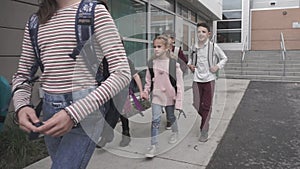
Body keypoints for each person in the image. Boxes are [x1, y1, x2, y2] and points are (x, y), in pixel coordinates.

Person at [11, 0, 130, 168]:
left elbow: (122, 73)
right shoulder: (35, 21)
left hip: (86, 109)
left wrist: (73, 113)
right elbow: (23, 74)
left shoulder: (94, 12)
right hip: (49, 108)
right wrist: (21, 106)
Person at [141, 35, 184, 158]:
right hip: (157, 96)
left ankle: (175, 132)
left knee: (171, 116)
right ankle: (154, 145)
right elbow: (148, 81)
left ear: (166, 48)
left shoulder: (173, 64)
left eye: (159, 46)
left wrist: (179, 102)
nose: (156, 49)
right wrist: (145, 91)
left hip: (170, 96)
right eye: (154, 46)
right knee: (155, 120)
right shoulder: (151, 63)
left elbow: (179, 85)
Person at [187, 22, 227, 142]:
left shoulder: (214, 47)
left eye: (203, 32)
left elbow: (224, 58)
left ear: (208, 34)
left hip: (209, 80)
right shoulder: (194, 47)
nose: (200, 34)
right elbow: (191, 59)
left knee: (207, 106)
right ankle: (206, 116)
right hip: (197, 79)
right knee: (196, 104)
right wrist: (190, 65)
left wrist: (217, 67)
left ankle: (204, 129)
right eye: (198, 31)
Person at [96, 57, 143, 148]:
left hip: (123, 91)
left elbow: (135, 75)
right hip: (109, 91)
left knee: (122, 113)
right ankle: (107, 136)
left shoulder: (126, 61)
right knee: (109, 113)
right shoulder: (104, 61)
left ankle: (125, 134)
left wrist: (141, 91)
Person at [162, 30, 188, 130]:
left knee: (171, 101)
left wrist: (179, 72)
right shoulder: (162, 49)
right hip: (163, 80)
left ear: (172, 39)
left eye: (166, 37)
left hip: (173, 81)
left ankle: (170, 119)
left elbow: (184, 63)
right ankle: (169, 116)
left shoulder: (177, 51)